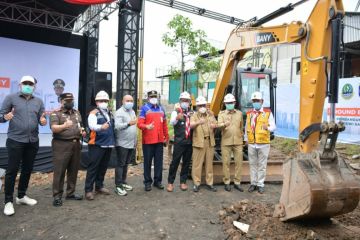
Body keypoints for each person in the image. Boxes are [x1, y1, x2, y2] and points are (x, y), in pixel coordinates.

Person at [0, 75, 47, 216]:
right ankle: (8, 201)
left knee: (27, 169)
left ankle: (21, 196)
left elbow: (41, 118)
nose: (28, 85)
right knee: (12, 170)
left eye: (30, 84)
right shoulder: (10, 98)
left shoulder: (38, 101)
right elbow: (1, 116)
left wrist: (43, 121)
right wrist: (4, 117)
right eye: (25, 83)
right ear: (20, 85)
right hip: (15, 140)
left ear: (34, 86)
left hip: (32, 140)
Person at [50, 93, 86, 206]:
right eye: (67, 100)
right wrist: (64, 126)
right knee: (59, 171)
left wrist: (83, 131)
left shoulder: (76, 112)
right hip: (61, 145)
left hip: (75, 144)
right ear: (61, 101)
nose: (70, 102)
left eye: (72, 100)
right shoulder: (56, 113)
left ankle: (70, 193)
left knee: (73, 170)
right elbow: (54, 128)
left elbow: (80, 125)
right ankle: (57, 196)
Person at [84, 90, 115, 200]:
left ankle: (99, 186)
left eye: (105, 100)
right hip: (96, 144)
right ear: (97, 102)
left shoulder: (110, 112)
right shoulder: (93, 113)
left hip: (108, 144)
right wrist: (101, 127)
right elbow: (92, 126)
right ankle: (88, 190)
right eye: (101, 101)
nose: (103, 102)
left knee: (103, 167)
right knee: (93, 167)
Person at [245, 91, 276, 194]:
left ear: (262, 101)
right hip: (252, 143)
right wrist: (246, 139)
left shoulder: (267, 113)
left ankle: (260, 184)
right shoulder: (249, 114)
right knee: (252, 164)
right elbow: (247, 127)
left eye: (257, 101)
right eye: (254, 101)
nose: (255, 102)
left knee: (262, 165)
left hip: (263, 143)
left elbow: (273, 127)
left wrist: (268, 127)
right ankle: (253, 183)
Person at [137, 90, 169, 191]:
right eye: (151, 96)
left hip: (159, 140)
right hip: (148, 141)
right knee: (147, 162)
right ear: (148, 98)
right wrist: (146, 126)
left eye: (155, 96)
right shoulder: (144, 109)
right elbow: (139, 124)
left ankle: (158, 181)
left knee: (159, 162)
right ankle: (147, 182)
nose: (153, 98)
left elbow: (164, 125)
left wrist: (166, 137)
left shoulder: (161, 109)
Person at [166, 91, 193, 192]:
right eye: (183, 100)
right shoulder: (175, 112)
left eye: (187, 101)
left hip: (189, 142)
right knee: (175, 162)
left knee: (186, 162)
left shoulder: (191, 113)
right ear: (180, 101)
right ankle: (170, 183)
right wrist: (177, 117)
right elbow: (172, 122)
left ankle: (183, 182)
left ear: (189, 102)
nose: (185, 102)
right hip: (179, 142)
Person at [190, 96, 218, 192]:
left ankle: (209, 183)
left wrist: (214, 125)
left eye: (203, 105)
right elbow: (191, 125)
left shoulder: (210, 115)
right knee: (197, 164)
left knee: (209, 164)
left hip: (209, 142)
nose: (202, 107)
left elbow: (215, 123)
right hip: (198, 143)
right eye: (200, 105)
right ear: (197, 106)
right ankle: (196, 183)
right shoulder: (194, 116)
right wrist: (198, 122)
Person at [217, 93, 244, 192]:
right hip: (226, 141)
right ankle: (227, 182)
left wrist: (241, 138)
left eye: (231, 102)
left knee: (239, 163)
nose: (230, 104)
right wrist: (224, 124)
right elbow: (218, 127)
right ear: (225, 103)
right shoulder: (221, 114)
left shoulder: (239, 113)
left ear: (234, 102)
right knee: (226, 163)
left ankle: (237, 182)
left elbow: (241, 127)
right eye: (228, 103)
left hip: (238, 141)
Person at [113, 95, 137, 196]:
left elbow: (134, 125)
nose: (130, 102)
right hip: (122, 143)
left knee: (126, 164)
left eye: (131, 100)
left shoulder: (132, 111)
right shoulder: (119, 112)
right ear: (123, 101)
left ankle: (123, 182)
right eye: (127, 100)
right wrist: (128, 123)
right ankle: (118, 185)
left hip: (131, 143)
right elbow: (117, 126)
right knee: (121, 164)